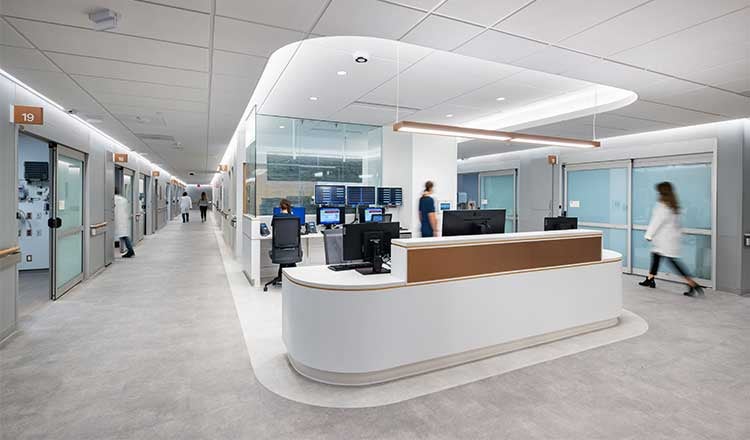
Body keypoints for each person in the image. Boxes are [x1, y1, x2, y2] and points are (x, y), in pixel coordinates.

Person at [638, 182, 704, 297]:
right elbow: (677, 224)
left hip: (664, 240)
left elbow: (656, 222)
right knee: (656, 257)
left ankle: (692, 284)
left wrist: (648, 235)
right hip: (669, 239)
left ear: (661, 192)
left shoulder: (662, 206)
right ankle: (650, 279)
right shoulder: (673, 205)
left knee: (672, 262)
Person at [114, 190, 134, 258]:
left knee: (123, 236)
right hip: (123, 219)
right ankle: (130, 251)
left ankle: (131, 251)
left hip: (117, 220)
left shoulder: (113, 199)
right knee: (124, 235)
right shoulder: (124, 199)